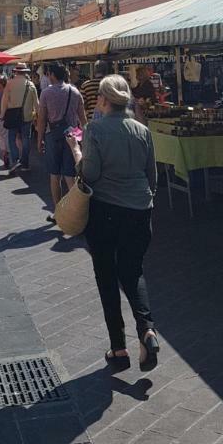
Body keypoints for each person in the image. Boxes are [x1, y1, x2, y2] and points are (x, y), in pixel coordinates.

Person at [69, 75, 160, 372]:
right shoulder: (142, 130)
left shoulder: (95, 129)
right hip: (140, 210)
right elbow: (152, 176)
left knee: (107, 275)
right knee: (133, 272)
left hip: (106, 210)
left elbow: (90, 174)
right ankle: (147, 329)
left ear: (104, 100)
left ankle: (118, 347)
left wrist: (77, 152)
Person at [37, 63, 87, 223]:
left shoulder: (46, 93)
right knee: (70, 176)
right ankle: (76, 213)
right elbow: (83, 119)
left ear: (52, 74)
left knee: (54, 175)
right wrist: (86, 139)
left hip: (52, 135)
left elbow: (41, 119)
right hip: (72, 137)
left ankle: (58, 212)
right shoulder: (75, 91)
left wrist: (39, 140)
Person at [1, 62, 39, 174]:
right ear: (25, 72)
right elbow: (37, 104)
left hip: (12, 116)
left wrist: (2, 114)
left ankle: (15, 160)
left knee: (12, 138)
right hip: (27, 116)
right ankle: (25, 164)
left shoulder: (9, 84)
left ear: (16, 72)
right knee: (26, 139)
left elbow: (4, 101)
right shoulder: (30, 85)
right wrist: (38, 116)